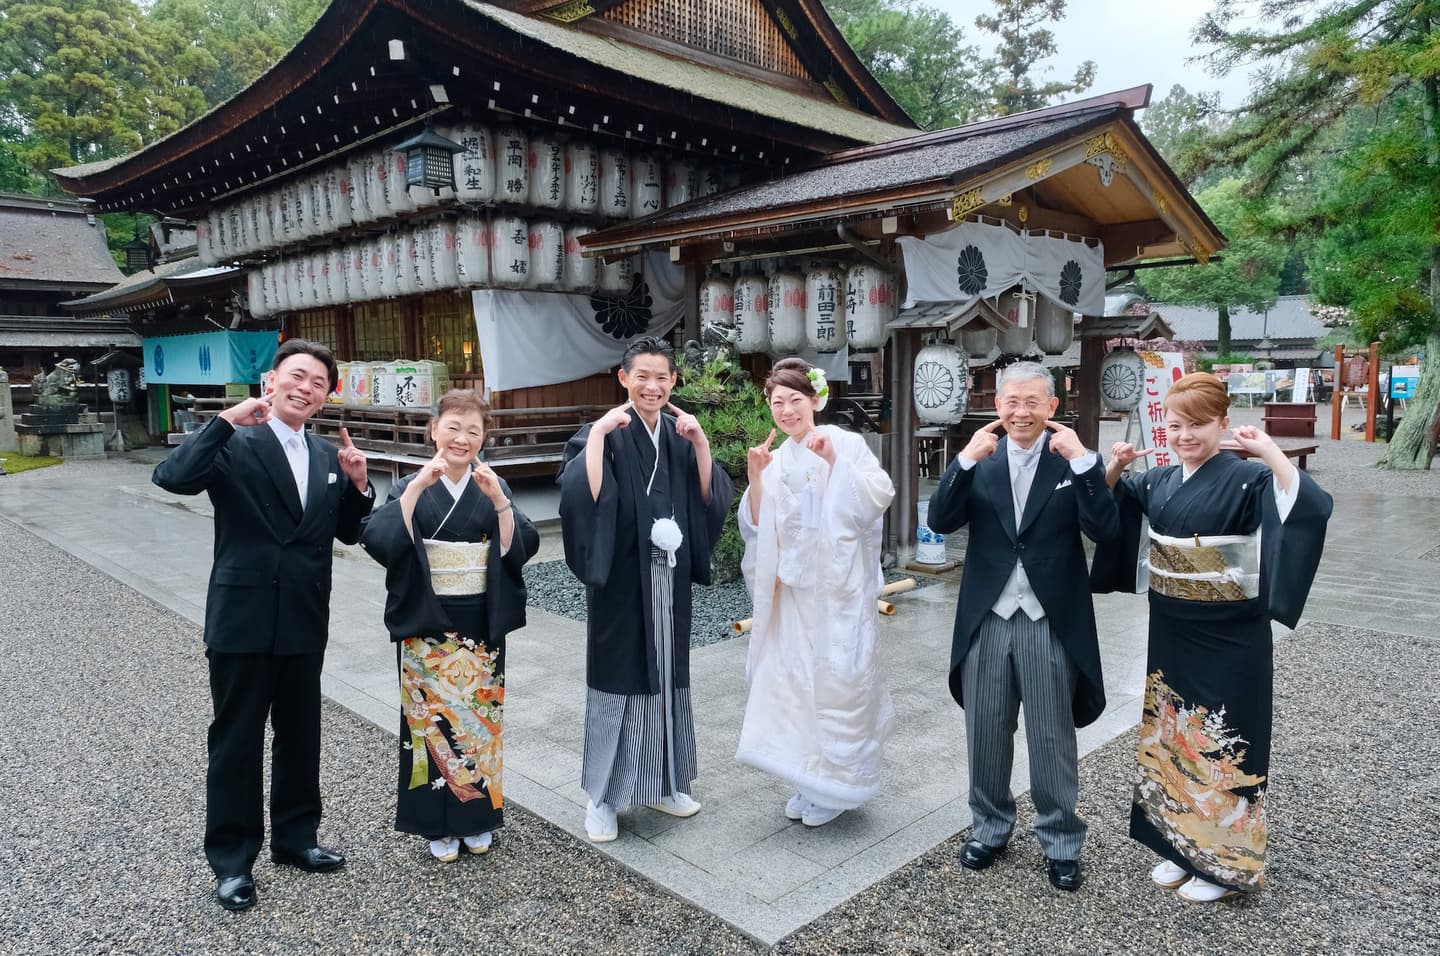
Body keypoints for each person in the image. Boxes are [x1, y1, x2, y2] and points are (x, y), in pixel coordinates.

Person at [152, 338, 374, 912]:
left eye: (318, 382)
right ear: (271, 381)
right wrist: (224, 420)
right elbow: (172, 478)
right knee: (237, 740)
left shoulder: (327, 454)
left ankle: (296, 839)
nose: (305, 388)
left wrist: (358, 487)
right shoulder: (235, 441)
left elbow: (346, 534)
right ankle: (232, 860)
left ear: (326, 397)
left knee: (301, 735)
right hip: (243, 616)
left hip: (304, 616)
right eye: (296, 376)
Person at [1094, 372, 1332, 903]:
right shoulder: (1158, 480)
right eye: (1176, 425)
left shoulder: (1246, 480)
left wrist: (1269, 451)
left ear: (1223, 424)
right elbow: (1106, 511)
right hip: (1172, 627)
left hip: (1230, 634)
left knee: (1223, 739)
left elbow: (1306, 507)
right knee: (1171, 736)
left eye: (1199, 425)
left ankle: (1222, 865)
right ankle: (1178, 848)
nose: (1186, 436)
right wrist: (1114, 466)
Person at [925, 361, 1117, 892]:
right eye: (1011, 402)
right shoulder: (981, 461)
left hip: (1047, 618)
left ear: (1052, 408)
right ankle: (990, 827)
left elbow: (1106, 528)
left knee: (1050, 735)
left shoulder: (1072, 463)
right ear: (998, 406)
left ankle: (1060, 840)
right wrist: (962, 461)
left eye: (1032, 402)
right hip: (988, 617)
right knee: (985, 729)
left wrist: (1084, 464)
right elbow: (939, 521)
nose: (1021, 411)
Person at [558, 336, 734, 843]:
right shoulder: (606, 431)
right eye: (642, 376)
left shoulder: (680, 435)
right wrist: (595, 438)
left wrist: (701, 443)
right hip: (621, 580)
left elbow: (707, 496)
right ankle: (603, 798)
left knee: (669, 675)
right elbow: (582, 495)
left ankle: (665, 782)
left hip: (670, 577)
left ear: (673, 381)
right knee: (620, 679)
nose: (652, 386)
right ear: (624, 378)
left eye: (662, 377)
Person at [359, 390, 538, 862]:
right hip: (427, 619)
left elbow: (521, 545)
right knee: (429, 723)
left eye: (473, 431)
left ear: (484, 439)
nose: (462, 438)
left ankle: (476, 818)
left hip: (480, 618)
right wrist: (417, 487)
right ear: (434, 430)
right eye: (453, 427)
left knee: (481, 723)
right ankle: (436, 822)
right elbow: (378, 540)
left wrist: (499, 500)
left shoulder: (490, 484)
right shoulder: (409, 485)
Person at [735, 358, 897, 827]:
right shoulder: (777, 456)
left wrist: (833, 462)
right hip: (792, 594)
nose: (786, 411)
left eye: (795, 400)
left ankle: (840, 786)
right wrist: (756, 476)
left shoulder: (844, 442)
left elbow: (877, 494)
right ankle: (808, 780)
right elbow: (758, 527)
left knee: (838, 684)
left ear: (814, 401)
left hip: (836, 596)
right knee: (794, 686)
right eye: (777, 402)